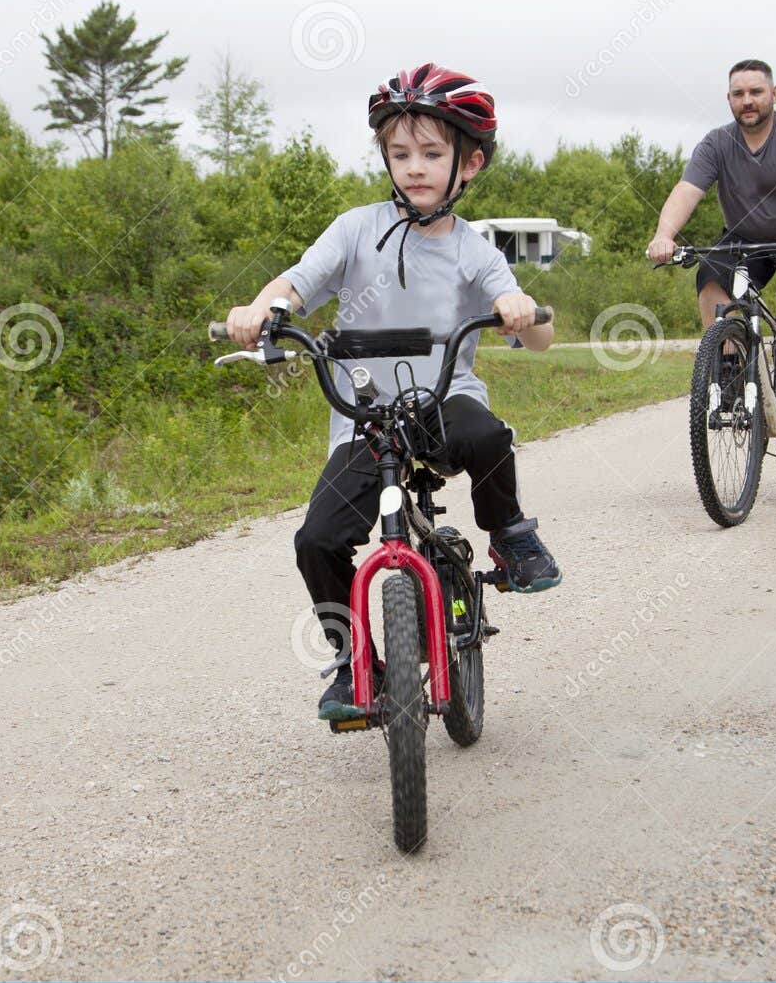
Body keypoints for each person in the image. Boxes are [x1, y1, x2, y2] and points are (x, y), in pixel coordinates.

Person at [223, 62, 562, 721]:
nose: (414, 166)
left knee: (488, 434)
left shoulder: (474, 248)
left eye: (432, 153)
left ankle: (509, 534)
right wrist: (259, 308)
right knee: (316, 539)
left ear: (469, 165)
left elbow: (530, 327)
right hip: (365, 418)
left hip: (443, 401)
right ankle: (355, 660)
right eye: (399, 153)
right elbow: (294, 283)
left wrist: (519, 308)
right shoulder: (354, 229)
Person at [647, 58, 776, 461]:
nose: (747, 101)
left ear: (773, 94)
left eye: (755, 92)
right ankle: (732, 373)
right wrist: (663, 236)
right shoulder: (717, 142)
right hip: (744, 240)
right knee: (710, 276)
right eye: (738, 94)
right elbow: (687, 189)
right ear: (729, 99)